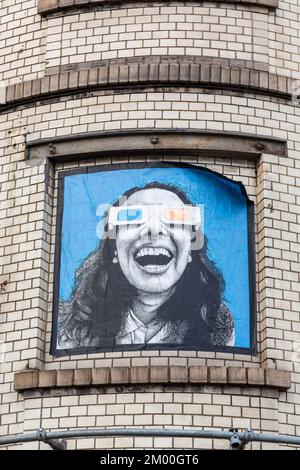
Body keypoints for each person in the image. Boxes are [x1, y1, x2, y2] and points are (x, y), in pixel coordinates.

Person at [58, 182, 234, 351]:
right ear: (114, 249)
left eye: (174, 217)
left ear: (190, 250)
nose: (154, 229)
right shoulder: (68, 328)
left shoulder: (217, 325)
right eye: (134, 217)